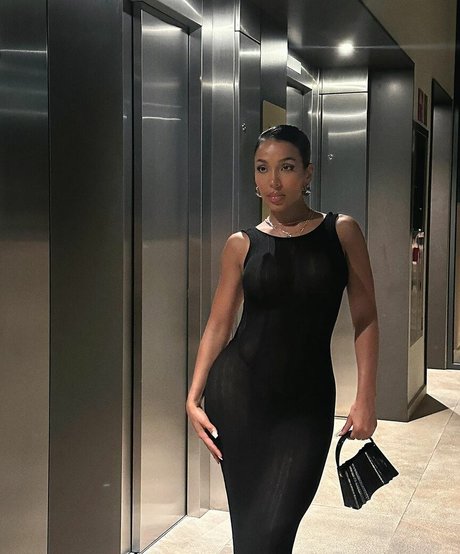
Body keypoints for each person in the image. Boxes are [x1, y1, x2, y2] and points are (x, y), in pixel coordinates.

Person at [186, 124, 378, 553]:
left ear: (308, 173)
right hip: (237, 397)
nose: (273, 181)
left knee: (273, 530)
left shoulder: (341, 232)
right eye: (262, 168)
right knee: (251, 533)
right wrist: (193, 396)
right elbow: (219, 325)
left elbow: (366, 319)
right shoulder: (241, 244)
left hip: (305, 406)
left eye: (286, 167)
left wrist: (366, 397)